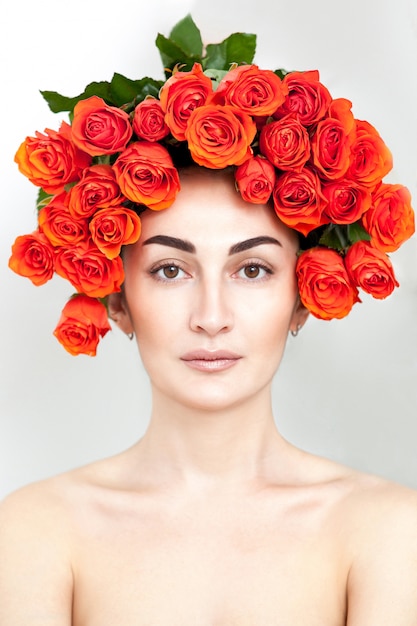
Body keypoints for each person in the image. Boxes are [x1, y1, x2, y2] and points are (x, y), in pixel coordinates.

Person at [1, 16, 416, 625]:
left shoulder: (387, 530)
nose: (211, 318)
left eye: (252, 271)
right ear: (116, 298)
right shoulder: (36, 530)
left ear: (304, 296)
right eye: (171, 270)